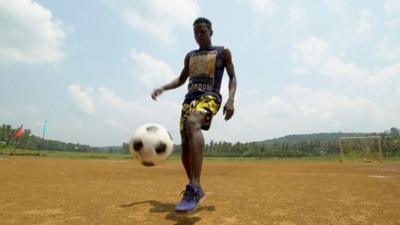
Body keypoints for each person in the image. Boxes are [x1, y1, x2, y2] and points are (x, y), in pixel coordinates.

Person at [151, 17, 237, 213]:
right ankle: (195, 188)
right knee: (186, 145)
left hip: (210, 96)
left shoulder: (223, 52)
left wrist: (231, 100)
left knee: (192, 124)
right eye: (196, 33)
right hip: (189, 100)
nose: (199, 35)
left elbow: (233, 77)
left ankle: (195, 186)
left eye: (202, 32)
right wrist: (163, 88)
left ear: (211, 32)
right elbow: (181, 79)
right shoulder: (190, 55)